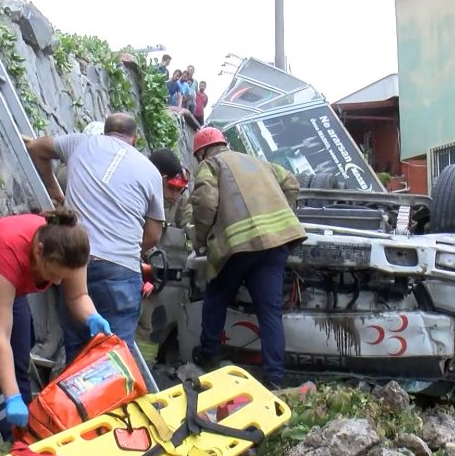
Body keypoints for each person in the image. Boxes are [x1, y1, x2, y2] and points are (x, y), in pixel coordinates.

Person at [0, 209, 110, 440]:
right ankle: (2, 444)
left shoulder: (72, 247)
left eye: (63, 277)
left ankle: (27, 438)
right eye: (52, 273)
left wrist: (92, 317)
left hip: (12, 287)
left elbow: (78, 296)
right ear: (38, 251)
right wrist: (11, 398)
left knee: (19, 360)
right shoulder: (8, 252)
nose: (57, 282)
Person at [26, 113, 165, 363]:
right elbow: (154, 234)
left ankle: (77, 399)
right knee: (116, 357)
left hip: (76, 259)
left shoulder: (81, 143)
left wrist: (53, 189)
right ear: (135, 139)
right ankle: (115, 401)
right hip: (121, 271)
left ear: (105, 132)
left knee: (77, 352)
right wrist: (129, 249)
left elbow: (36, 148)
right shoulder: (151, 172)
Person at [189, 127, 306, 389]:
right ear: (224, 143)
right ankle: (274, 379)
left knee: (216, 296)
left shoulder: (211, 165)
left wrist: (202, 239)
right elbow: (291, 183)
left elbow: (205, 203)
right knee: (270, 312)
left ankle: (208, 356)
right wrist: (284, 212)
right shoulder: (259, 162)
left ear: (202, 152)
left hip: (239, 246)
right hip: (276, 244)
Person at [136, 149, 193, 345]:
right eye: (171, 188)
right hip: (136, 265)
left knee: (151, 325)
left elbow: (188, 220)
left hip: (154, 272)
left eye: (180, 190)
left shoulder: (179, 198)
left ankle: (145, 368)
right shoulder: (141, 193)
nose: (175, 195)